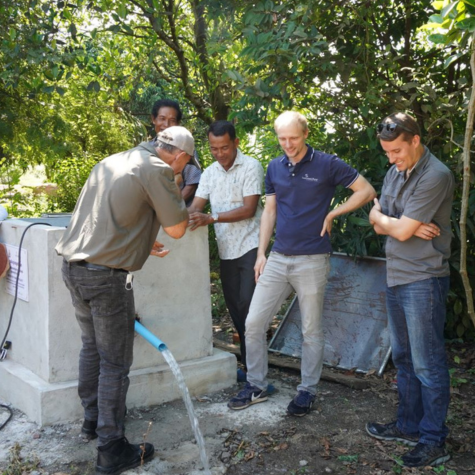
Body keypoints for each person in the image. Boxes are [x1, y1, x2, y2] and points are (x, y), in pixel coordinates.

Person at [55, 126, 197, 475]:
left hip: (75, 269)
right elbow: (178, 227)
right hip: (107, 279)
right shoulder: (158, 169)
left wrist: (142, 239)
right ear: (179, 155)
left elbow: (106, 215)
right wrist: (174, 186)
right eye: (185, 164)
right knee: (115, 363)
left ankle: (92, 422)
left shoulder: (112, 161)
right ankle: (111, 448)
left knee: (91, 347)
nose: (182, 169)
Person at [228, 111, 376, 416]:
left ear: (305, 134)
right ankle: (256, 385)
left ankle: (307, 390)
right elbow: (269, 211)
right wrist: (260, 253)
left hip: (312, 258)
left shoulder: (327, 164)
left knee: (311, 329)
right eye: (282, 138)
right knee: (253, 323)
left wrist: (333, 214)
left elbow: (366, 190)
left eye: (293, 137)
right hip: (279, 257)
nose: (288, 144)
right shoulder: (274, 167)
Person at [366, 112, 454, 467]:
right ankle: (408, 426)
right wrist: (400, 225)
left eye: (397, 151)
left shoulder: (437, 174)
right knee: (403, 358)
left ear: (415, 140)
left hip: (424, 278)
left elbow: (390, 225)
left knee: (427, 363)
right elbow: (377, 222)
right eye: (387, 152)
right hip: (396, 275)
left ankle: (434, 439)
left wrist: (397, 226)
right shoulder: (393, 172)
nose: (392, 159)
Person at [188, 120, 264, 380]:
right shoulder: (209, 172)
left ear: (236, 143)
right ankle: (250, 368)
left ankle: (257, 373)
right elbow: (195, 207)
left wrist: (212, 218)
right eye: (214, 148)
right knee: (235, 309)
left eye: (224, 148)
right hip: (226, 249)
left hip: (251, 246)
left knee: (249, 309)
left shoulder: (251, 166)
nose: (219, 153)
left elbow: (249, 209)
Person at [151, 99, 201, 205]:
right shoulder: (146, 149)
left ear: (178, 123)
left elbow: (192, 185)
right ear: (153, 119)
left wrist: (172, 207)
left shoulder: (185, 149)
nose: (166, 124)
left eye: (172, 120)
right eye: (162, 118)